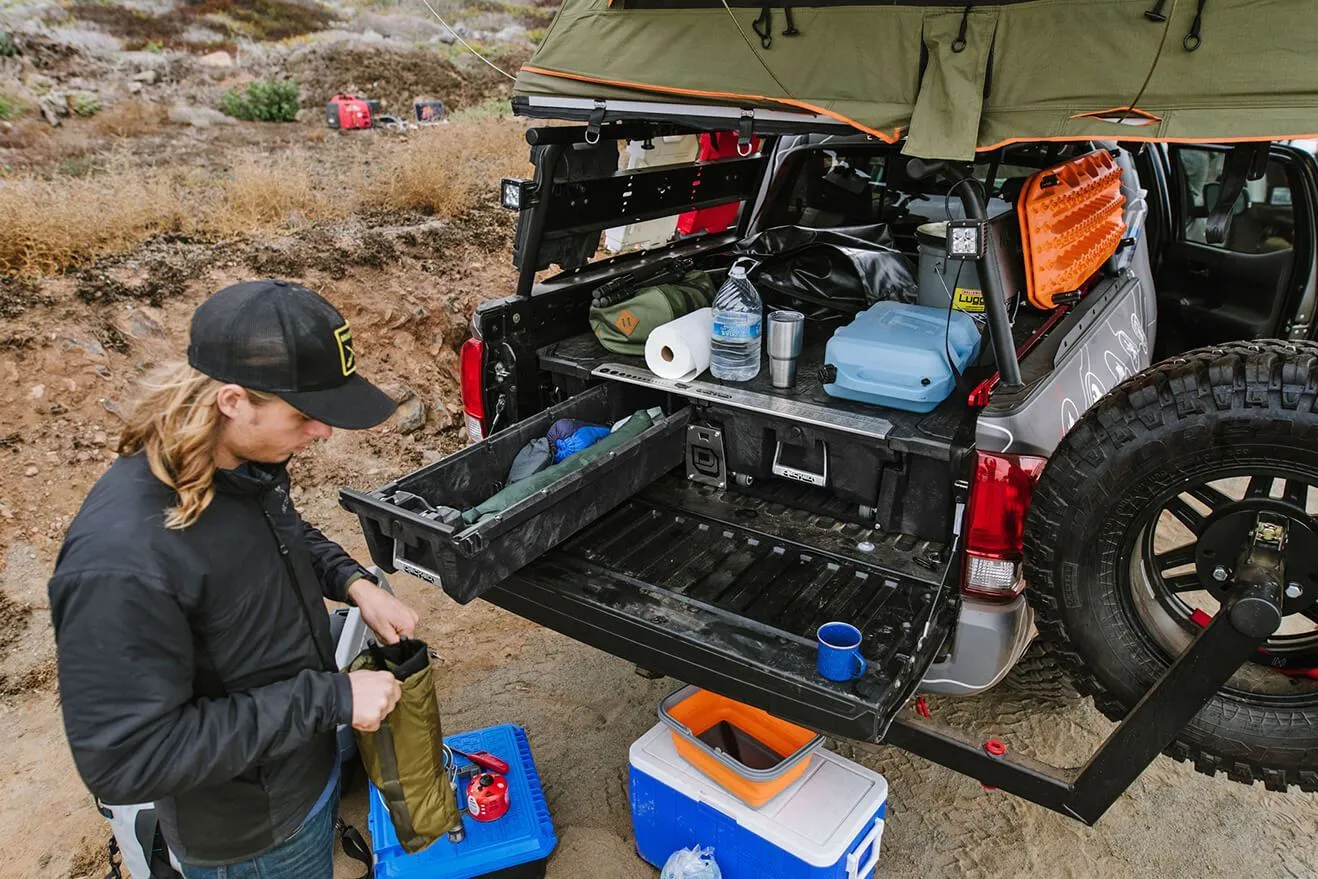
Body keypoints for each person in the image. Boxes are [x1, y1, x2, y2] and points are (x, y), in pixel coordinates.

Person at [48, 280, 421, 878]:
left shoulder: (242, 462)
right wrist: (332, 697)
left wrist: (355, 583)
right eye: (304, 415)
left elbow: (283, 535)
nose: (322, 431)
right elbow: (125, 759)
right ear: (231, 401)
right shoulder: (121, 561)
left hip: (300, 770)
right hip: (251, 837)